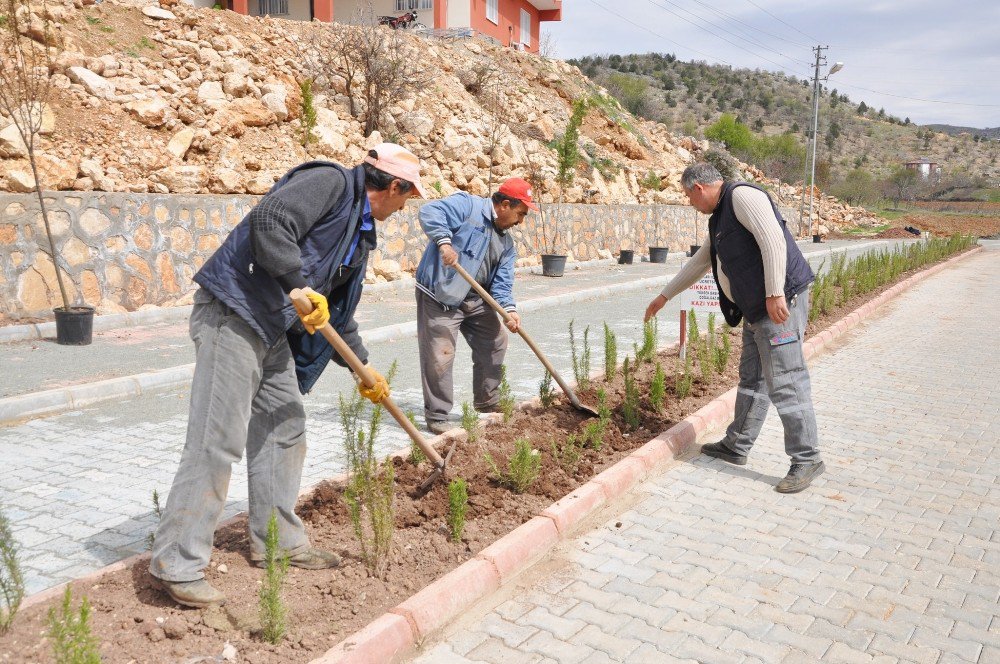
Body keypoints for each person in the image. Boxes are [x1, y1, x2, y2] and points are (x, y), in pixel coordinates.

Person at [150, 144, 426, 607]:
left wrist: (363, 366)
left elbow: (335, 314)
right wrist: (297, 284)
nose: (403, 208)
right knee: (216, 439)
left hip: (270, 328)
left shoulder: (358, 235)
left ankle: (276, 542)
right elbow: (269, 222)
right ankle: (177, 562)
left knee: (285, 427)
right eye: (406, 197)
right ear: (393, 186)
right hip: (233, 313)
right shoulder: (331, 182)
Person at [644, 162, 824, 493]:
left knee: (786, 380)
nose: (690, 204)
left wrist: (774, 292)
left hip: (779, 304)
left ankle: (807, 458)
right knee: (752, 378)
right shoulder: (720, 218)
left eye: (688, 197)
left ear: (698, 188)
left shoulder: (741, 196)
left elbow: (773, 241)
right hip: (756, 308)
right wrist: (664, 296)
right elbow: (702, 260)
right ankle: (737, 444)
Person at [414, 178, 536, 434]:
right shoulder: (468, 206)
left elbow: (501, 285)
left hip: (475, 300)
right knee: (441, 354)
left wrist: (509, 311)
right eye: (520, 214)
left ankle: (487, 400)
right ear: (505, 204)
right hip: (442, 296)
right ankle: (437, 415)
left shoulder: (506, 245)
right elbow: (429, 211)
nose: (521, 221)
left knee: (495, 341)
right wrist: (444, 242)